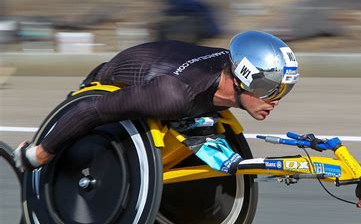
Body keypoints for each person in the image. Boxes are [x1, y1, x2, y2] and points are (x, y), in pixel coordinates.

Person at [14, 30, 299, 174]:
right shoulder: (173, 95)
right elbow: (92, 109)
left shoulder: (230, 66)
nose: (275, 101)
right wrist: (39, 154)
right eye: (271, 91)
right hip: (113, 84)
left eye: (283, 92)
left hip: (166, 80)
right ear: (242, 79)